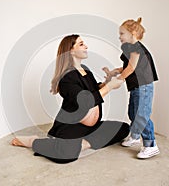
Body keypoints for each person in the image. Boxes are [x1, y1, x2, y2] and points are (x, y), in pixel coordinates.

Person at [11, 34, 130, 164]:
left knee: (123, 128)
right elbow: (86, 100)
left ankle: (82, 144)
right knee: (67, 155)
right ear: (71, 50)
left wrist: (108, 81)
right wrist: (110, 87)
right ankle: (34, 141)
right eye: (81, 44)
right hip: (72, 127)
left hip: (90, 129)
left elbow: (94, 90)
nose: (86, 46)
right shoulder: (66, 77)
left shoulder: (85, 70)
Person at [103, 17, 160, 159]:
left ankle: (151, 145)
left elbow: (131, 67)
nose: (119, 36)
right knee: (133, 112)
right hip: (136, 86)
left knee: (141, 115)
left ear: (133, 33)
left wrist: (120, 79)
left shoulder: (136, 48)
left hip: (143, 86)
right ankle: (135, 136)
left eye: (122, 33)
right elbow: (127, 67)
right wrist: (113, 72)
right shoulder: (130, 49)